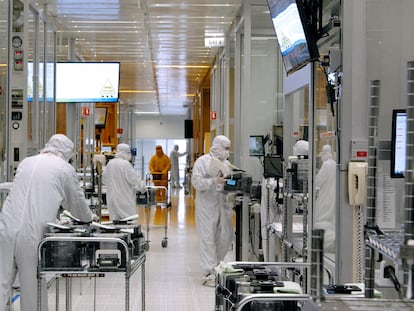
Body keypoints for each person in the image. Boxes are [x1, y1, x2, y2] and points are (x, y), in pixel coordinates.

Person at [0, 134, 94, 311]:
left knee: (1, 281)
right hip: (33, 233)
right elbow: (76, 203)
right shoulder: (64, 168)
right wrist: (89, 218)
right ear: (67, 153)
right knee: (32, 287)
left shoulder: (27, 162)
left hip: (6, 227)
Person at [191, 135, 233, 287]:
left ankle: (217, 266)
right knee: (208, 239)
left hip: (223, 205)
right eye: (226, 148)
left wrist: (233, 182)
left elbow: (231, 180)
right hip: (207, 206)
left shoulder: (226, 164)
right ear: (217, 147)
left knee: (225, 237)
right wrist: (213, 181)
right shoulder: (202, 162)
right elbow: (196, 182)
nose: (227, 152)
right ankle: (208, 272)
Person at [103, 143, 147, 221]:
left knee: (115, 226)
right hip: (124, 200)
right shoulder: (125, 164)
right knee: (129, 224)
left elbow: (104, 180)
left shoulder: (110, 163)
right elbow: (135, 179)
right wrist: (143, 188)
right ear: (123, 152)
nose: (129, 155)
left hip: (111, 200)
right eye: (128, 152)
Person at [314, 144, 336, 253]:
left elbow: (318, 180)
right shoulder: (335, 164)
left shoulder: (326, 165)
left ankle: (324, 242)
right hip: (332, 194)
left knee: (323, 215)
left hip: (325, 194)